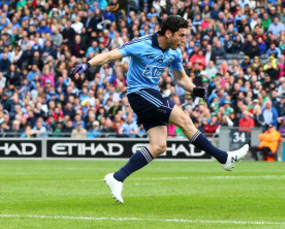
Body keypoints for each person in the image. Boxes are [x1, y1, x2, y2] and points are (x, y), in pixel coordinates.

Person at [68, 15, 249, 204]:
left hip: (151, 95)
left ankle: (117, 177)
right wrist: (87, 64)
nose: (184, 39)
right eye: (181, 35)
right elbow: (109, 55)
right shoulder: (141, 44)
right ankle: (223, 157)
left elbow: (180, 78)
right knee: (184, 119)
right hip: (139, 94)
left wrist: (194, 89)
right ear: (168, 33)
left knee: (159, 146)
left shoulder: (174, 52)